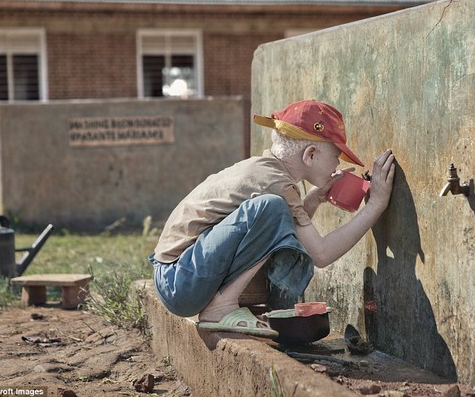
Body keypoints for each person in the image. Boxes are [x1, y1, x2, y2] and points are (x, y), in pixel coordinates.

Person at [149, 99, 395, 338]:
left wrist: (313, 200)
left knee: (273, 210)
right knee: (271, 207)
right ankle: (220, 308)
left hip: (179, 277)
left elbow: (279, 234)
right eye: (335, 156)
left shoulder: (268, 172)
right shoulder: (276, 185)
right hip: (179, 280)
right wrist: (375, 205)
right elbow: (320, 254)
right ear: (310, 155)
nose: (336, 164)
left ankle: (224, 303)